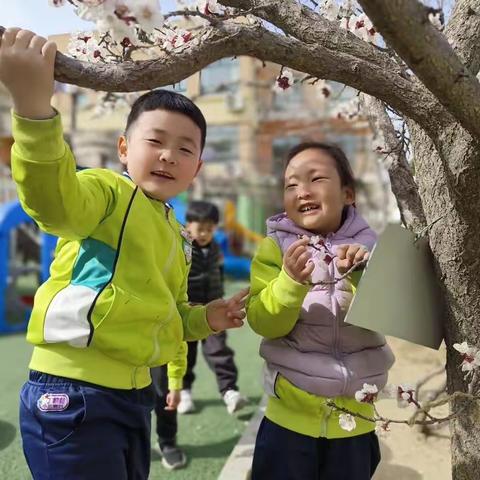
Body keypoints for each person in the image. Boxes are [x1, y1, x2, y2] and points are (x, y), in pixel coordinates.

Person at [0, 28, 248, 480]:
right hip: (73, 390)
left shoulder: (177, 234)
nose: (168, 156)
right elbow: (52, 204)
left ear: (197, 168)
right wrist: (34, 111)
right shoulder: (107, 191)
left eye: (184, 149)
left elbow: (171, 314)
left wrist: (207, 318)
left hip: (136, 396)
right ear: (123, 148)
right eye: (155, 141)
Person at [246, 142, 395, 480]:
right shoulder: (275, 248)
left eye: (315, 179)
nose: (302, 191)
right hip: (288, 423)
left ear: (347, 194)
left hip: (354, 423)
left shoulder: (371, 247)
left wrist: (359, 273)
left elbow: (387, 315)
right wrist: (289, 282)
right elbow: (264, 323)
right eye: (291, 184)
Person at [178, 200, 248, 415]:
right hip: (189, 310)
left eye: (209, 229)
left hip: (213, 310)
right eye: (200, 229)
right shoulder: (183, 246)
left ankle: (229, 391)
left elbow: (217, 273)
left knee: (219, 350)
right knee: (185, 354)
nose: (204, 234)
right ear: (188, 225)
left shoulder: (216, 247)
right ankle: (184, 392)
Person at [151, 342, 188, 471]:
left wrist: (175, 385)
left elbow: (176, 342)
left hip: (156, 354)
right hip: (119, 360)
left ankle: (167, 441)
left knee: (164, 394)